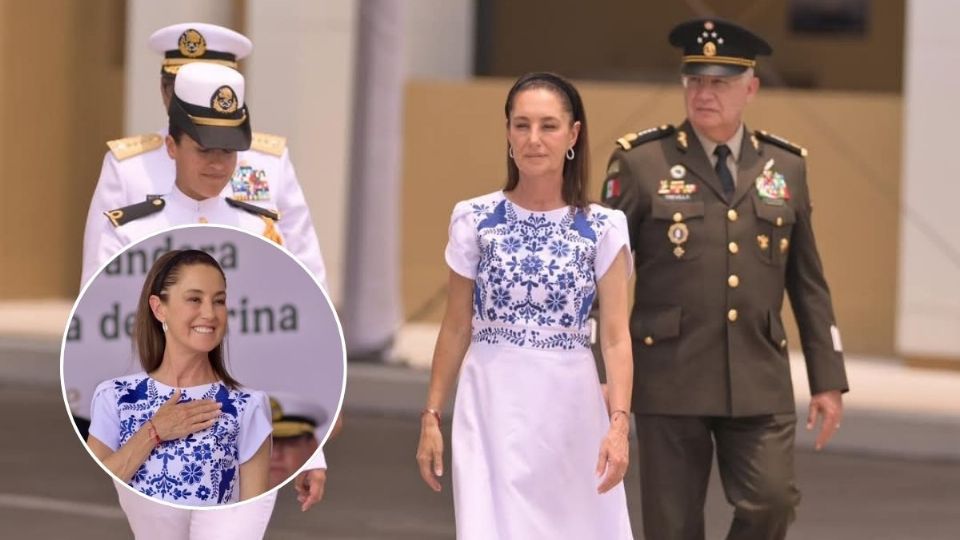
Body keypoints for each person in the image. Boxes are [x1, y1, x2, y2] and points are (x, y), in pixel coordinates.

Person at [599, 18, 849, 539]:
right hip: (670, 375)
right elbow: (603, 277)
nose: (704, 93)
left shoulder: (785, 167)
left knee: (772, 501)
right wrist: (600, 369)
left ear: (751, 88)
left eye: (720, 82)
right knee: (672, 527)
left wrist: (827, 377)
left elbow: (808, 281)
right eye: (695, 80)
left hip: (758, 374)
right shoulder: (642, 162)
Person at [416, 72, 634, 539]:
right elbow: (456, 326)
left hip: (572, 409)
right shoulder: (474, 219)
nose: (534, 138)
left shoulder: (604, 227)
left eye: (548, 126)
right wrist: (431, 415)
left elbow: (616, 337)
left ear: (573, 134)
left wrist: (619, 426)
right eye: (522, 125)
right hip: (489, 403)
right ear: (508, 132)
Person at [81, 22, 326, 290]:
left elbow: (305, 264)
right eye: (183, 87)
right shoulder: (128, 165)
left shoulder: (268, 161)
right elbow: (100, 282)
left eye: (214, 88)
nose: (217, 160)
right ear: (164, 90)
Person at [87, 249, 271, 509]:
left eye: (219, 301)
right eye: (194, 299)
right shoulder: (115, 396)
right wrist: (154, 432)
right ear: (159, 308)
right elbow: (93, 490)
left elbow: (250, 516)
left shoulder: (247, 406)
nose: (210, 313)